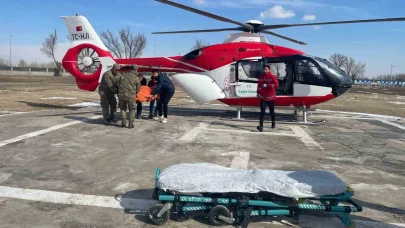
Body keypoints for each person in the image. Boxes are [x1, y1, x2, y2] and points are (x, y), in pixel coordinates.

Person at [257, 65, 279, 132]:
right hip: (263, 97)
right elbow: (259, 86)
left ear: (269, 70)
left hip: (271, 98)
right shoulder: (261, 77)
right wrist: (258, 93)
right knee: (262, 112)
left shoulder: (272, 77)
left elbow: (277, 85)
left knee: (271, 112)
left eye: (266, 69)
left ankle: (273, 123)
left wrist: (268, 85)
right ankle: (261, 126)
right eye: (264, 69)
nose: (265, 70)